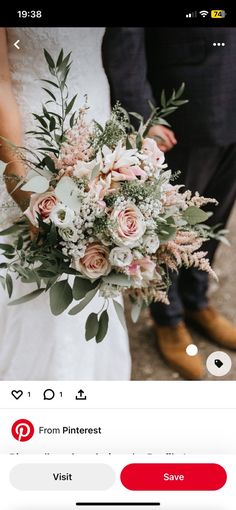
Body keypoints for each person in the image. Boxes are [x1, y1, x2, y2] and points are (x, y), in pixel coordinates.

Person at [102, 27, 236, 380]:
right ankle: (168, 317)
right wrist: (141, 115)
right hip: (186, 107)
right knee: (166, 228)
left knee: (216, 216)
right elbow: (126, 35)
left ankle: (196, 300)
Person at [0, 27, 131, 380]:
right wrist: (19, 180)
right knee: (37, 270)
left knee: (96, 260)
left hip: (97, 125)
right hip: (31, 138)